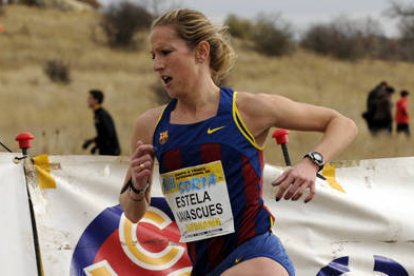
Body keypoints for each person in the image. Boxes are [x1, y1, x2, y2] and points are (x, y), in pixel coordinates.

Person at [119, 9, 357, 276]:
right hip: (206, 266)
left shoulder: (246, 109)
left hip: (255, 256)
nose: (156, 65)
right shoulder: (150, 125)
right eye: (153, 56)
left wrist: (310, 163)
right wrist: (138, 188)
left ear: (201, 52)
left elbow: (343, 124)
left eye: (166, 52)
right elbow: (133, 212)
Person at [83, 89, 121, 156]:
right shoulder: (97, 114)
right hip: (105, 150)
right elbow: (102, 134)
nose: (87, 100)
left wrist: (95, 143)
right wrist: (93, 143)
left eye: (90, 98)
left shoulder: (102, 115)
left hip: (111, 151)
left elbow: (109, 134)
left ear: (96, 100)